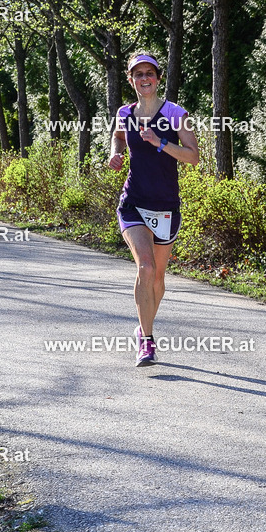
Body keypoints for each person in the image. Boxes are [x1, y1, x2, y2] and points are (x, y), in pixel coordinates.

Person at [108, 53, 199, 366]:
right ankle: (146, 341)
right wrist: (116, 154)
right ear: (131, 80)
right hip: (133, 201)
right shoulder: (125, 112)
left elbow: (192, 156)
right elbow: (119, 137)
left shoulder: (175, 113)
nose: (144, 79)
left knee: (158, 278)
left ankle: (142, 327)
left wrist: (161, 143)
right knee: (145, 267)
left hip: (166, 206)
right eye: (138, 74)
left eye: (149, 73)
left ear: (158, 78)